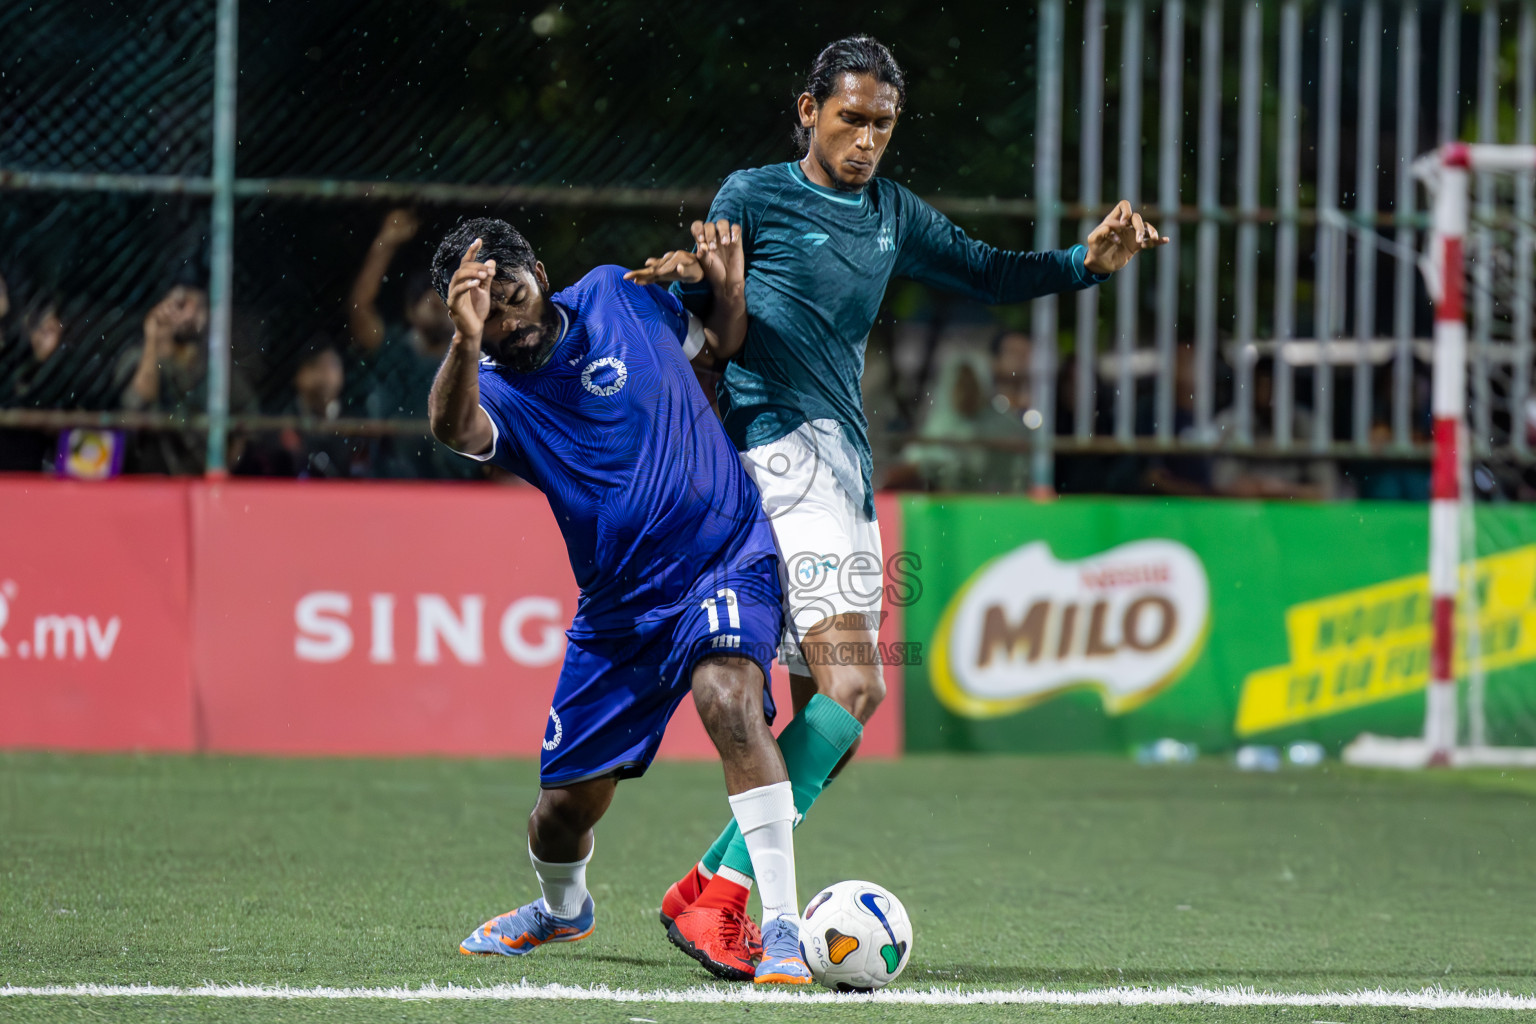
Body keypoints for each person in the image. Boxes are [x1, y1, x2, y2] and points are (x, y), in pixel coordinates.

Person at [629, 35, 1167, 965]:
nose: (867, 139)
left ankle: (707, 886)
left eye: (883, 123)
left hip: (843, 467)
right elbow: (720, 335)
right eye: (850, 118)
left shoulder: (894, 213)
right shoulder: (752, 195)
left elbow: (993, 272)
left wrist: (1086, 262)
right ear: (808, 110)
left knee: (826, 727)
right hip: (779, 455)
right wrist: (698, 281)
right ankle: (717, 891)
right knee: (858, 687)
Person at [427, 216, 813, 985]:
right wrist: (465, 344)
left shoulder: (614, 292)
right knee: (559, 815)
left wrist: (726, 289)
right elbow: (452, 429)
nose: (508, 322)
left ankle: (782, 929)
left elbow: (719, 344)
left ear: (538, 268)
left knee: (729, 698)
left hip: (724, 556)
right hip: (619, 612)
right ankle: (563, 909)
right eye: (487, 314)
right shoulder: (493, 384)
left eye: (511, 296)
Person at [347, 208, 476, 480]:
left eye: (444, 299)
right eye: (427, 300)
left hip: (456, 485)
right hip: (391, 475)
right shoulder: (392, 346)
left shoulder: (474, 355)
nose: (438, 305)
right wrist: (385, 243)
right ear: (409, 312)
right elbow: (360, 308)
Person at [115, 284, 257, 474]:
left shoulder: (215, 368)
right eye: (181, 306)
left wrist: (225, 466)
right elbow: (136, 402)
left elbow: (247, 415)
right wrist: (153, 338)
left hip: (200, 477)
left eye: (199, 307)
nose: (191, 315)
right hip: (150, 478)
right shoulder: (137, 358)